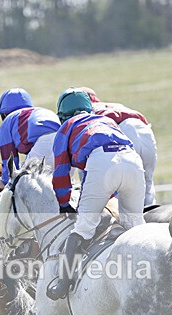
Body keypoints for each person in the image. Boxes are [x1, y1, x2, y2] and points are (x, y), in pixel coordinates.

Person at [46, 88, 146, 300]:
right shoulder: (105, 120)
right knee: (136, 227)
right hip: (134, 162)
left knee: (82, 229)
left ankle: (63, 284)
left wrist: (64, 203)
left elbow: (61, 174)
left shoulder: (66, 128)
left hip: (103, 163)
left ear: (62, 114)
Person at [81, 87, 158, 206]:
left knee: (120, 185)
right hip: (145, 129)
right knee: (147, 181)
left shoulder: (85, 112)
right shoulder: (113, 105)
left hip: (121, 132)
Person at [0, 88, 61, 185]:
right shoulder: (39, 111)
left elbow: (10, 163)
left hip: (43, 147)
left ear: (5, 113)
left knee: (18, 186)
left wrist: (4, 182)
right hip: (64, 145)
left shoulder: (8, 122)